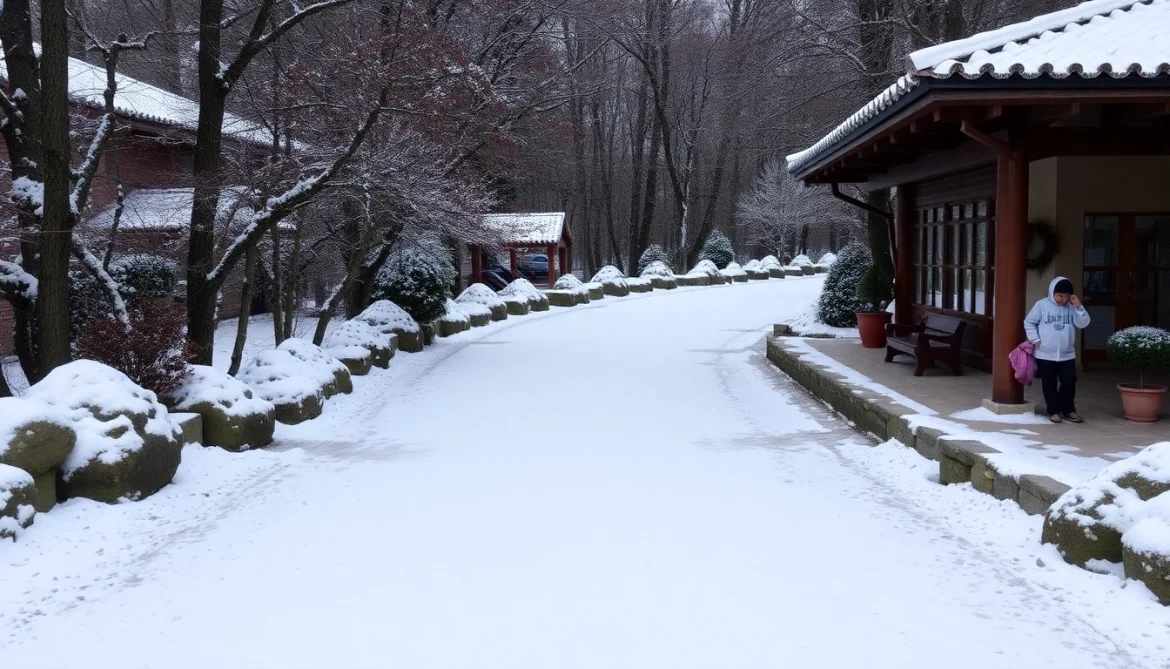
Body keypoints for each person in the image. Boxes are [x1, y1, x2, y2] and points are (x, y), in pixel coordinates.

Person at [1024, 276, 1091, 423]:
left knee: (1069, 381)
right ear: (1052, 292)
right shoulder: (1041, 305)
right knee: (1049, 383)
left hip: (1067, 354)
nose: (1063, 299)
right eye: (1060, 296)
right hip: (1045, 354)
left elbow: (1083, 323)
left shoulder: (1072, 307)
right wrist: (1036, 340)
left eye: (1067, 296)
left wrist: (1079, 307)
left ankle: (1069, 410)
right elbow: (1029, 322)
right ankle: (1053, 411)